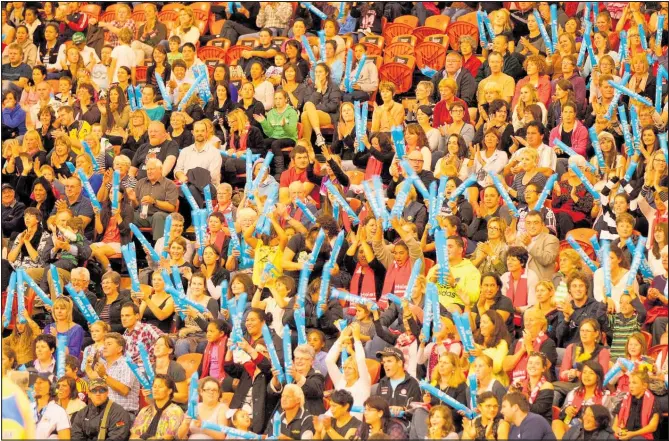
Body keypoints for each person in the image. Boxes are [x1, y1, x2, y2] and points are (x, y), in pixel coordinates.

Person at [85, 332, 140, 419]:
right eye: (104, 344)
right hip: (102, 414)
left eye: (109, 344)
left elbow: (124, 390)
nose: (104, 347)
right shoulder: (104, 366)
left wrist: (104, 376)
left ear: (119, 349)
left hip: (122, 415)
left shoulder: (128, 364)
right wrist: (88, 366)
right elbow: (92, 376)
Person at [127, 157, 178, 241]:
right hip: (142, 216)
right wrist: (133, 199)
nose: (149, 172)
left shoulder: (169, 184)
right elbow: (135, 207)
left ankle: (158, 249)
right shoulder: (140, 182)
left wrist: (154, 201)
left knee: (157, 216)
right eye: (147, 169)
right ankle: (126, 246)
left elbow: (171, 207)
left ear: (160, 169)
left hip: (161, 217)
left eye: (152, 169)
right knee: (127, 214)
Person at [130, 374, 184, 439]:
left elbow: (170, 436)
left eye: (160, 387)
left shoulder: (175, 411)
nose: (156, 389)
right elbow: (133, 435)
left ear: (170, 391)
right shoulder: (145, 411)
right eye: (154, 387)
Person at [33, 372, 71, 439]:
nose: (36, 386)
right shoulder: (27, 408)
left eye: (40, 382)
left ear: (51, 387)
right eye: (35, 382)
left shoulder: (59, 412)